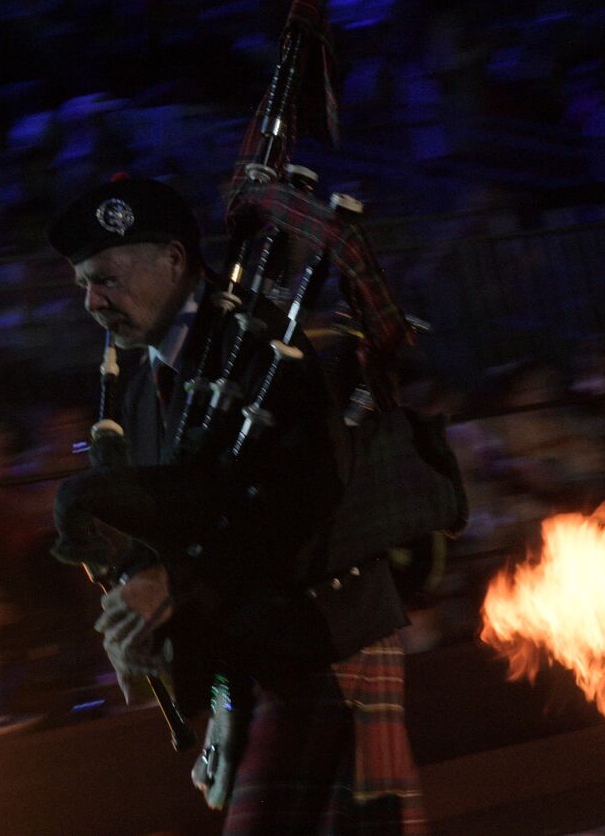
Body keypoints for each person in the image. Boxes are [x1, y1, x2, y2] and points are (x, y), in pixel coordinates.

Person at [46, 175, 426, 835]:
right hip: (248, 663)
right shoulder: (142, 392)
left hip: (324, 637)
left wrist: (173, 581)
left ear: (172, 258)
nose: (91, 300)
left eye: (105, 276)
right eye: (83, 282)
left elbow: (296, 504)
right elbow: (181, 541)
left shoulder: (262, 345)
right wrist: (150, 626)